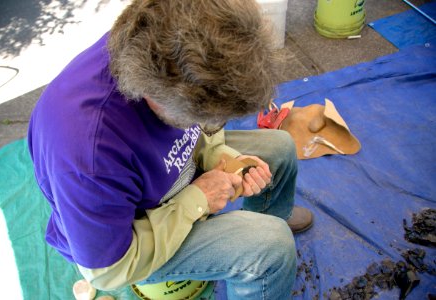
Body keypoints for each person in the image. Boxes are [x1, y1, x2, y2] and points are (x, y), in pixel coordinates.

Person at [28, 0, 313, 299]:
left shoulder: (161, 33)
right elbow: (109, 271)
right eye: (207, 117)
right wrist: (197, 199)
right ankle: (265, 259)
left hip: (161, 171)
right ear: (157, 97)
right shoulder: (90, 154)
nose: (214, 124)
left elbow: (202, 128)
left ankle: (271, 216)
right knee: (271, 246)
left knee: (279, 148)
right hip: (133, 237)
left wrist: (220, 157)